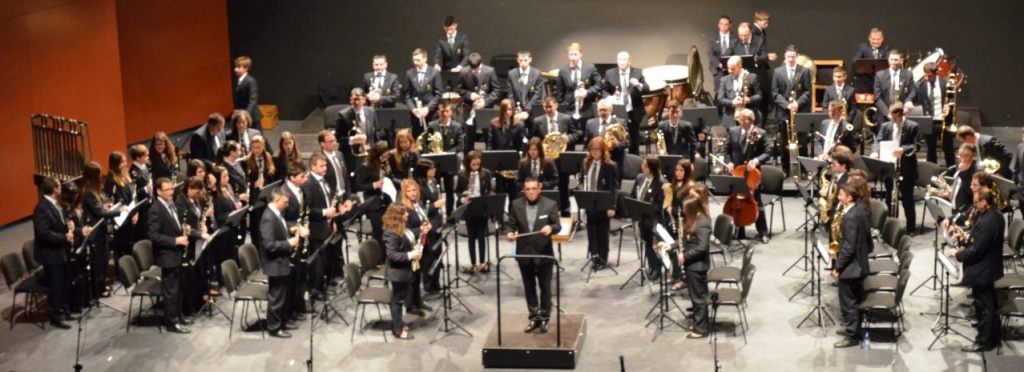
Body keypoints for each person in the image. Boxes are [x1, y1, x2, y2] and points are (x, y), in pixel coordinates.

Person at [946, 189, 1004, 352]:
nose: (974, 205)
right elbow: (979, 240)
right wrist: (965, 237)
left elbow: (977, 250)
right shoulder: (991, 215)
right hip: (987, 267)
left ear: (985, 202)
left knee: (985, 305)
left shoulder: (989, 221)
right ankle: (991, 334)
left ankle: (984, 341)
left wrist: (957, 254)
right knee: (987, 303)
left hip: (983, 269)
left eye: (977, 202)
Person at [505, 177, 561, 333]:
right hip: (524, 253)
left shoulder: (550, 204)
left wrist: (550, 227)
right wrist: (509, 232)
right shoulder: (516, 204)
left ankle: (544, 317)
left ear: (539, 188)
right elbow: (511, 223)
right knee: (529, 288)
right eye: (527, 189)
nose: (530, 192)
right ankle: (533, 317)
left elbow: (557, 225)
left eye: (533, 188)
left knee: (545, 287)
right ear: (524, 190)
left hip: (544, 254)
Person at [658, 197, 711, 338]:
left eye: (685, 210)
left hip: (697, 265)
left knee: (699, 297)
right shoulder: (692, 220)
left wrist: (685, 256)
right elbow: (684, 239)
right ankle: (700, 322)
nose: (682, 213)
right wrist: (671, 246)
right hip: (692, 264)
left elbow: (703, 247)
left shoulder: (701, 223)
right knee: (696, 296)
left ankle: (701, 329)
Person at [260, 187, 308, 338]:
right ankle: (274, 328)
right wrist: (289, 243)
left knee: (284, 295)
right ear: (276, 200)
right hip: (275, 264)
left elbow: (280, 227)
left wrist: (291, 229)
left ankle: (283, 321)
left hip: (282, 262)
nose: (287, 205)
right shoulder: (268, 217)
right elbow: (269, 245)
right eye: (285, 202)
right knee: (277, 297)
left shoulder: (276, 213)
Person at [33, 177, 80, 329]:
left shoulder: (55, 204)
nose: (62, 188)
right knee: (56, 285)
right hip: (51, 254)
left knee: (65, 281)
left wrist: (70, 225)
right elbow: (44, 234)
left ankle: (64, 309)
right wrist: (64, 236)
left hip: (61, 250)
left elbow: (60, 223)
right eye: (59, 186)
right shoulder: (41, 208)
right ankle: (56, 316)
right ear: (54, 189)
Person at [831, 182, 873, 348]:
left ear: (849, 198)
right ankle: (853, 328)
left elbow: (848, 247)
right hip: (860, 261)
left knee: (848, 302)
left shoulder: (850, 218)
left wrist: (838, 268)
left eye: (841, 195)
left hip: (852, 267)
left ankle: (852, 336)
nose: (839, 197)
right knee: (854, 300)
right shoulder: (859, 209)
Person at [148, 177, 192, 333]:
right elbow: (154, 235)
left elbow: (174, 224)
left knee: (179, 288)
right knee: (171, 290)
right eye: (167, 190)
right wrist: (176, 240)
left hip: (177, 253)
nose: (171, 192)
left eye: (172, 189)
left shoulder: (171, 205)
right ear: (158, 191)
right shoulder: (156, 209)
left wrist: (183, 228)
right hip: (167, 255)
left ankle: (178, 316)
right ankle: (171, 322)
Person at [303, 154, 348, 299]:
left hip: (327, 226)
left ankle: (326, 284)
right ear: (313, 167)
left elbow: (330, 201)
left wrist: (334, 219)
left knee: (327, 258)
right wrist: (324, 212)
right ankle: (316, 290)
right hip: (316, 228)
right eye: (322, 166)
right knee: (317, 261)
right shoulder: (308, 183)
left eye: (326, 165)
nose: (325, 168)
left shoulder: (325, 180)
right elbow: (307, 209)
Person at [724, 109, 771, 243]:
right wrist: (729, 162)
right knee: (738, 202)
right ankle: (739, 231)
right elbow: (727, 150)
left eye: (745, 120)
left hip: (752, 175)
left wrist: (756, 161)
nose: (742, 122)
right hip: (737, 173)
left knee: (757, 202)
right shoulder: (733, 131)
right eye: (740, 119)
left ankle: (763, 232)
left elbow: (767, 153)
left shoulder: (760, 133)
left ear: (752, 120)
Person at [872, 103, 920, 231]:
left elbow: (917, 145)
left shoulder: (912, 126)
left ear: (901, 115)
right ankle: (891, 226)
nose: (892, 120)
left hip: (906, 167)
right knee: (889, 197)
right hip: (889, 166)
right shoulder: (886, 126)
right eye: (891, 117)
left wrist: (903, 149)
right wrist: (875, 151)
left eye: (895, 117)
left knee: (907, 199)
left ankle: (910, 228)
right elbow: (878, 140)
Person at [382, 203, 425, 340]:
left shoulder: (402, 228)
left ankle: (398, 324)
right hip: (397, 273)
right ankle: (398, 330)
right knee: (398, 300)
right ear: (397, 216)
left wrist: (420, 230)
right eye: (405, 213)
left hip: (405, 270)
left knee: (401, 298)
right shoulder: (391, 232)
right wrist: (411, 255)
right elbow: (392, 255)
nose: (407, 214)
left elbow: (411, 235)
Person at [532, 97, 576, 216]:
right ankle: (545, 214)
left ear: (556, 105)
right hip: (545, 160)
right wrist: (541, 146)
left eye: (550, 107)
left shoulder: (566, 118)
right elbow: (533, 139)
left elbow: (577, 133)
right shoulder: (537, 121)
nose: (548, 109)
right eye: (545, 107)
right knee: (546, 186)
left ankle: (565, 212)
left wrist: (569, 138)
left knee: (564, 186)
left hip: (562, 159)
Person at [580, 137, 619, 269]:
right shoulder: (586, 163)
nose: (595, 152)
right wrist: (582, 191)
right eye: (592, 149)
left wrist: (612, 206)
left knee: (602, 231)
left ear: (603, 150)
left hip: (603, 203)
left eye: (598, 149)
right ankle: (594, 256)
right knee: (591, 230)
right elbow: (581, 181)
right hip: (589, 202)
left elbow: (613, 188)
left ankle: (602, 259)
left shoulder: (610, 165)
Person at [772, 45, 812, 169]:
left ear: (797, 57)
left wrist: (797, 103)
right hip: (784, 112)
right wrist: (787, 105)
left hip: (800, 111)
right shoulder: (778, 72)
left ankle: (804, 168)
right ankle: (785, 169)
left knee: (802, 141)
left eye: (793, 57)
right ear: (785, 56)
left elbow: (808, 91)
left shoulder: (804, 71)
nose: (791, 59)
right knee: (784, 142)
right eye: (788, 57)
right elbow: (774, 92)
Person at [398, 179, 434, 313]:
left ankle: (418, 301)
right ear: (404, 193)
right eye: (409, 191)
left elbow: (423, 220)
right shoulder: (404, 208)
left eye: (414, 190)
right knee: (411, 277)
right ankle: (410, 306)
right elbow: (404, 230)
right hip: (411, 246)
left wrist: (428, 225)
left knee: (418, 275)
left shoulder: (417, 205)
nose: (412, 193)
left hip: (421, 244)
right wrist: (420, 230)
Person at [456, 151, 494, 273]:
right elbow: (458, 191)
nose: (476, 166)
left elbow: (490, 190)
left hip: (482, 208)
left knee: (482, 237)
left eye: (478, 164)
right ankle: (473, 263)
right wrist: (462, 198)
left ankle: (482, 263)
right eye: (473, 164)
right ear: (468, 164)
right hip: (469, 208)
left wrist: (488, 198)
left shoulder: (486, 173)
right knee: (471, 237)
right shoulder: (462, 175)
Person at [603, 51, 648, 153]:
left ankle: (633, 162)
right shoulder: (609, 73)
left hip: (633, 111)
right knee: (616, 138)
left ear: (629, 61)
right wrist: (609, 97)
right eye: (619, 59)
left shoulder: (638, 72)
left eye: (624, 59)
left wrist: (638, 85)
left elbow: (647, 87)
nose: (622, 62)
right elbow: (604, 90)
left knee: (634, 140)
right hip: (617, 110)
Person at [413, 160, 445, 294]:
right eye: (431, 169)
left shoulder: (433, 181)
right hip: (428, 224)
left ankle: (436, 282)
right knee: (429, 256)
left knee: (437, 253)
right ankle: (428, 284)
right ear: (423, 171)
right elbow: (418, 209)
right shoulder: (418, 186)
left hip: (437, 222)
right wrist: (435, 206)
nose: (434, 170)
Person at [335, 87, 379, 179]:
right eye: (353, 99)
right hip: (352, 154)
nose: (355, 102)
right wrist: (353, 140)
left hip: (369, 151)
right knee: (353, 177)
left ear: (364, 99)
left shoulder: (371, 111)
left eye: (358, 99)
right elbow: (338, 138)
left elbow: (376, 131)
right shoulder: (343, 115)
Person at [633, 156, 665, 280]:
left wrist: (645, 208)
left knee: (655, 245)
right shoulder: (640, 178)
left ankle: (657, 269)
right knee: (647, 244)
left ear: (651, 169)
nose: (642, 167)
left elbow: (659, 204)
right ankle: (651, 266)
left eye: (645, 166)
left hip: (654, 220)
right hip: (642, 219)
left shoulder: (661, 182)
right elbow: (633, 195)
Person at [458, 52, 500, 147]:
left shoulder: (490, 71)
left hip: (486, 109)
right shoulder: (464, 72)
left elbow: (496, 91)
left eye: (477, 69)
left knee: (488, 137)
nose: (475, 72)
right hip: (469, 108)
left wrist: (485, 102)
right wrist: (469, 95)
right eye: (473, 70)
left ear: (481, 63)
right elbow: (460, 89)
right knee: (469, 137)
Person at [915, 62, 953, 166]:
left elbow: (951, 99)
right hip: (929, 122)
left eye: (929, 76)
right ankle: (932, 174)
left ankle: (952, 172)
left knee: (948, 148)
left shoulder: (944, 83)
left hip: (943, 120)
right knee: (931, 150)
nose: (927, 78)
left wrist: (948, 106)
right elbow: (913, 98)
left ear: (936, 73)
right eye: (925, 75)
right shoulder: (920, 85)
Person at [556, 42, 602, 125]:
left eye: (575, 54)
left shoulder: (590, 67)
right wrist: (562, 106)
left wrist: (587, 92)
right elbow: (559, 92)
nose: (573, 58)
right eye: (570, 55)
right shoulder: (563, 70)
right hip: (568, 110)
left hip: (586, 109)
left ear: (581, 54)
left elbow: (599, 84)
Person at [355, 142, 392, 245]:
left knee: (388, 228)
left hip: (385, 199)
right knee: (379, 230)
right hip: (372, 203)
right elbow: (358, 185)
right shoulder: (366, 166)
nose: (386, 158)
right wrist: (373, 185)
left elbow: (390, 178)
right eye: (384, 156)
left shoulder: (384, 163)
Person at [404, 48, 443, 137]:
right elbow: (407, 95)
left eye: (418, 60)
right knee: (417, 139)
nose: (415, 62)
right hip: (416, 114)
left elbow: (438, 94)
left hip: (431, 113)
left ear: (425, 59)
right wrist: (413, 109)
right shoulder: (409, 73)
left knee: (432, 138)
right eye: (414, 60)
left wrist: (427, 108)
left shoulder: (434, 73)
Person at [584, 99, 629, 177]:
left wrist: (617, 144)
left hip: (614, 162)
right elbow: (587, 144)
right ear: (597, 111)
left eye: (605, 110)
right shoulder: (590, 123)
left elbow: (628, 142)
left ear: (611, 110)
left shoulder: (620, 122)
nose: (602, 112)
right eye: (600, 110)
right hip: (596, 163)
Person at [716, 55, 761, 128]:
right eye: (728, 68)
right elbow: (720, 99)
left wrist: (749, 99)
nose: (730, 71)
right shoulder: (724, 80)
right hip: (731, 118)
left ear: (740, 66)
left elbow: (759, 96)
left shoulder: (751, 77)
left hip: (748, 116)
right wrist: (732, 102)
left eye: (732, 68)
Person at [872, 50, 917, 124]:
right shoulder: (880, 75)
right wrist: (888, 114)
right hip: (884, 116)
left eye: (896, 60)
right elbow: (877, 98)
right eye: (891, 59)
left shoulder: (908, 74)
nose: (893, 62)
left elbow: (913, 91)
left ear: (901, 60)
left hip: (902, 114)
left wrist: (908, 102)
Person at [506, 51, 545, 121]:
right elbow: (510, 94)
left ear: (530, 60)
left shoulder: (537, 73)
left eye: (525, 60)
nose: (523, 63)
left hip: (532, 110)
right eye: (521, 60)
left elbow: (538, 94)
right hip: (516, 110)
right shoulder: (511, 74)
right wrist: (516, 109)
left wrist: (527, 110)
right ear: (517, 60)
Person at [852, 28, 891, 93]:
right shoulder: (864, 47)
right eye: (873, 39)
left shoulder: (886, 49)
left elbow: (888, 63)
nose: (876, 41)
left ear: (882, 39)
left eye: (878, 39)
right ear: (869, 38)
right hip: (866, 80)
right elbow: (855, 61)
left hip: (881, 81)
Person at [317, 131, 351, 201]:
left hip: (344, 195)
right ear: (322, 144)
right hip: (331, 198)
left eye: (335, 140)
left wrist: (348, 197)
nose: (334, 143)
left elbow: (345, 177)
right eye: (331, 141)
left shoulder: (340, 155)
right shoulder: (319, 159)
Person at [709, 15, 737, 96]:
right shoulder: (713, 38)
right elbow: (710, 54)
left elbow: (737, 52)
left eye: (726, 24)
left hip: (732, 69)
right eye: (721, 24)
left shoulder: (735, 38)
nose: (723, 26)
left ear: (730, 25)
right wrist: (718, 64)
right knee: (719, 93)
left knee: (732, 93)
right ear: (718, 25)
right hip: (718, 70)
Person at [233, 56, 261, 130]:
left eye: (239, 67)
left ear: (246, 68)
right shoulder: (240, 80)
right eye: (236, 66)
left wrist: (245, 114)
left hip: (251, 117)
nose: (235, 69)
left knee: (258, 138)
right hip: (242, 116)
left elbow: (253, 100)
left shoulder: (250, 81)